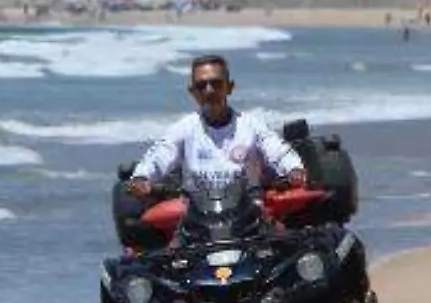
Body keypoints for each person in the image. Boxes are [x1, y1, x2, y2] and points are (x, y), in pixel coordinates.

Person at [128, 55, 307, 204]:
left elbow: (278, 151)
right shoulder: (183, 128)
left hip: (249, 214)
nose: (209, 90)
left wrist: (294, 170)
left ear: (230, 87)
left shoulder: (252, 125)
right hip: (196, 219)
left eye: (216, 83)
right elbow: (159, 156)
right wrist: (142, 178)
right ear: (192, 92)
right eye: (201, 86)